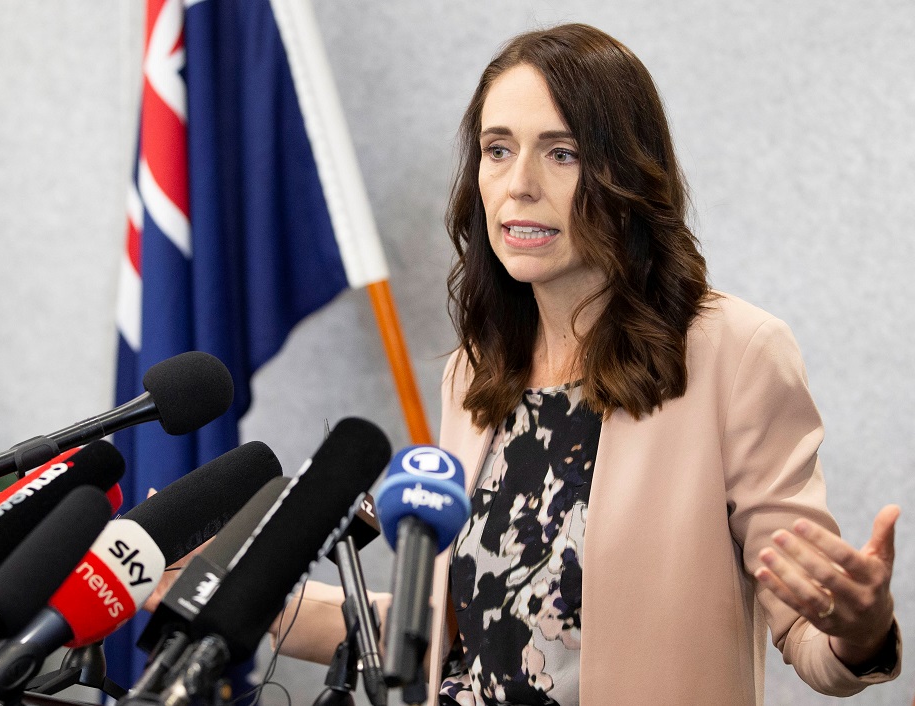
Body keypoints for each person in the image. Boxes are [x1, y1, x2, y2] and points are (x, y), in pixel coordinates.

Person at [275, 22, 901, 705]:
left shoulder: (736, 354)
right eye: (497, 150)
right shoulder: (475, 372)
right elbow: (465, 626)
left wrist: (860, 633)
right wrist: (230, 593)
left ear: (626, 172)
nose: (519, 184)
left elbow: (809, 632)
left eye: (562, 152)